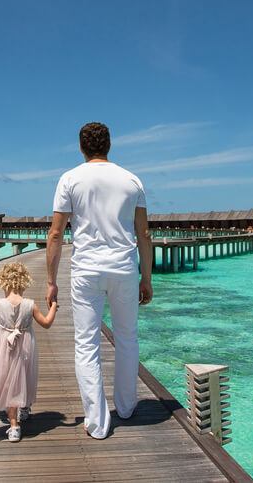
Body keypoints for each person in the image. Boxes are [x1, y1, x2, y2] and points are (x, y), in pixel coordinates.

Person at [45, 122, 153, 440]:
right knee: (127, 339)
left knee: (87, 344)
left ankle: (97, 422)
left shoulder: (70, 179)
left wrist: (51, 280)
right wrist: (146, 277)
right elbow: (144, 234)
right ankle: (128, 406)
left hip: (86, 270)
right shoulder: (132, 180)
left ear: (81, 147)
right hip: (123, 268)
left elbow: (55, 233)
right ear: (109, 145)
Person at [0, 261, 58, 442]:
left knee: (7, 381)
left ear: (3, 282)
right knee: (23, 377)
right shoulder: (30, 304)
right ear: (24, 282)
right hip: (25, 346)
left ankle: (14, 426)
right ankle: (24, 408)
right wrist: (54, 304)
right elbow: (47, 323)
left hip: (2, 347)